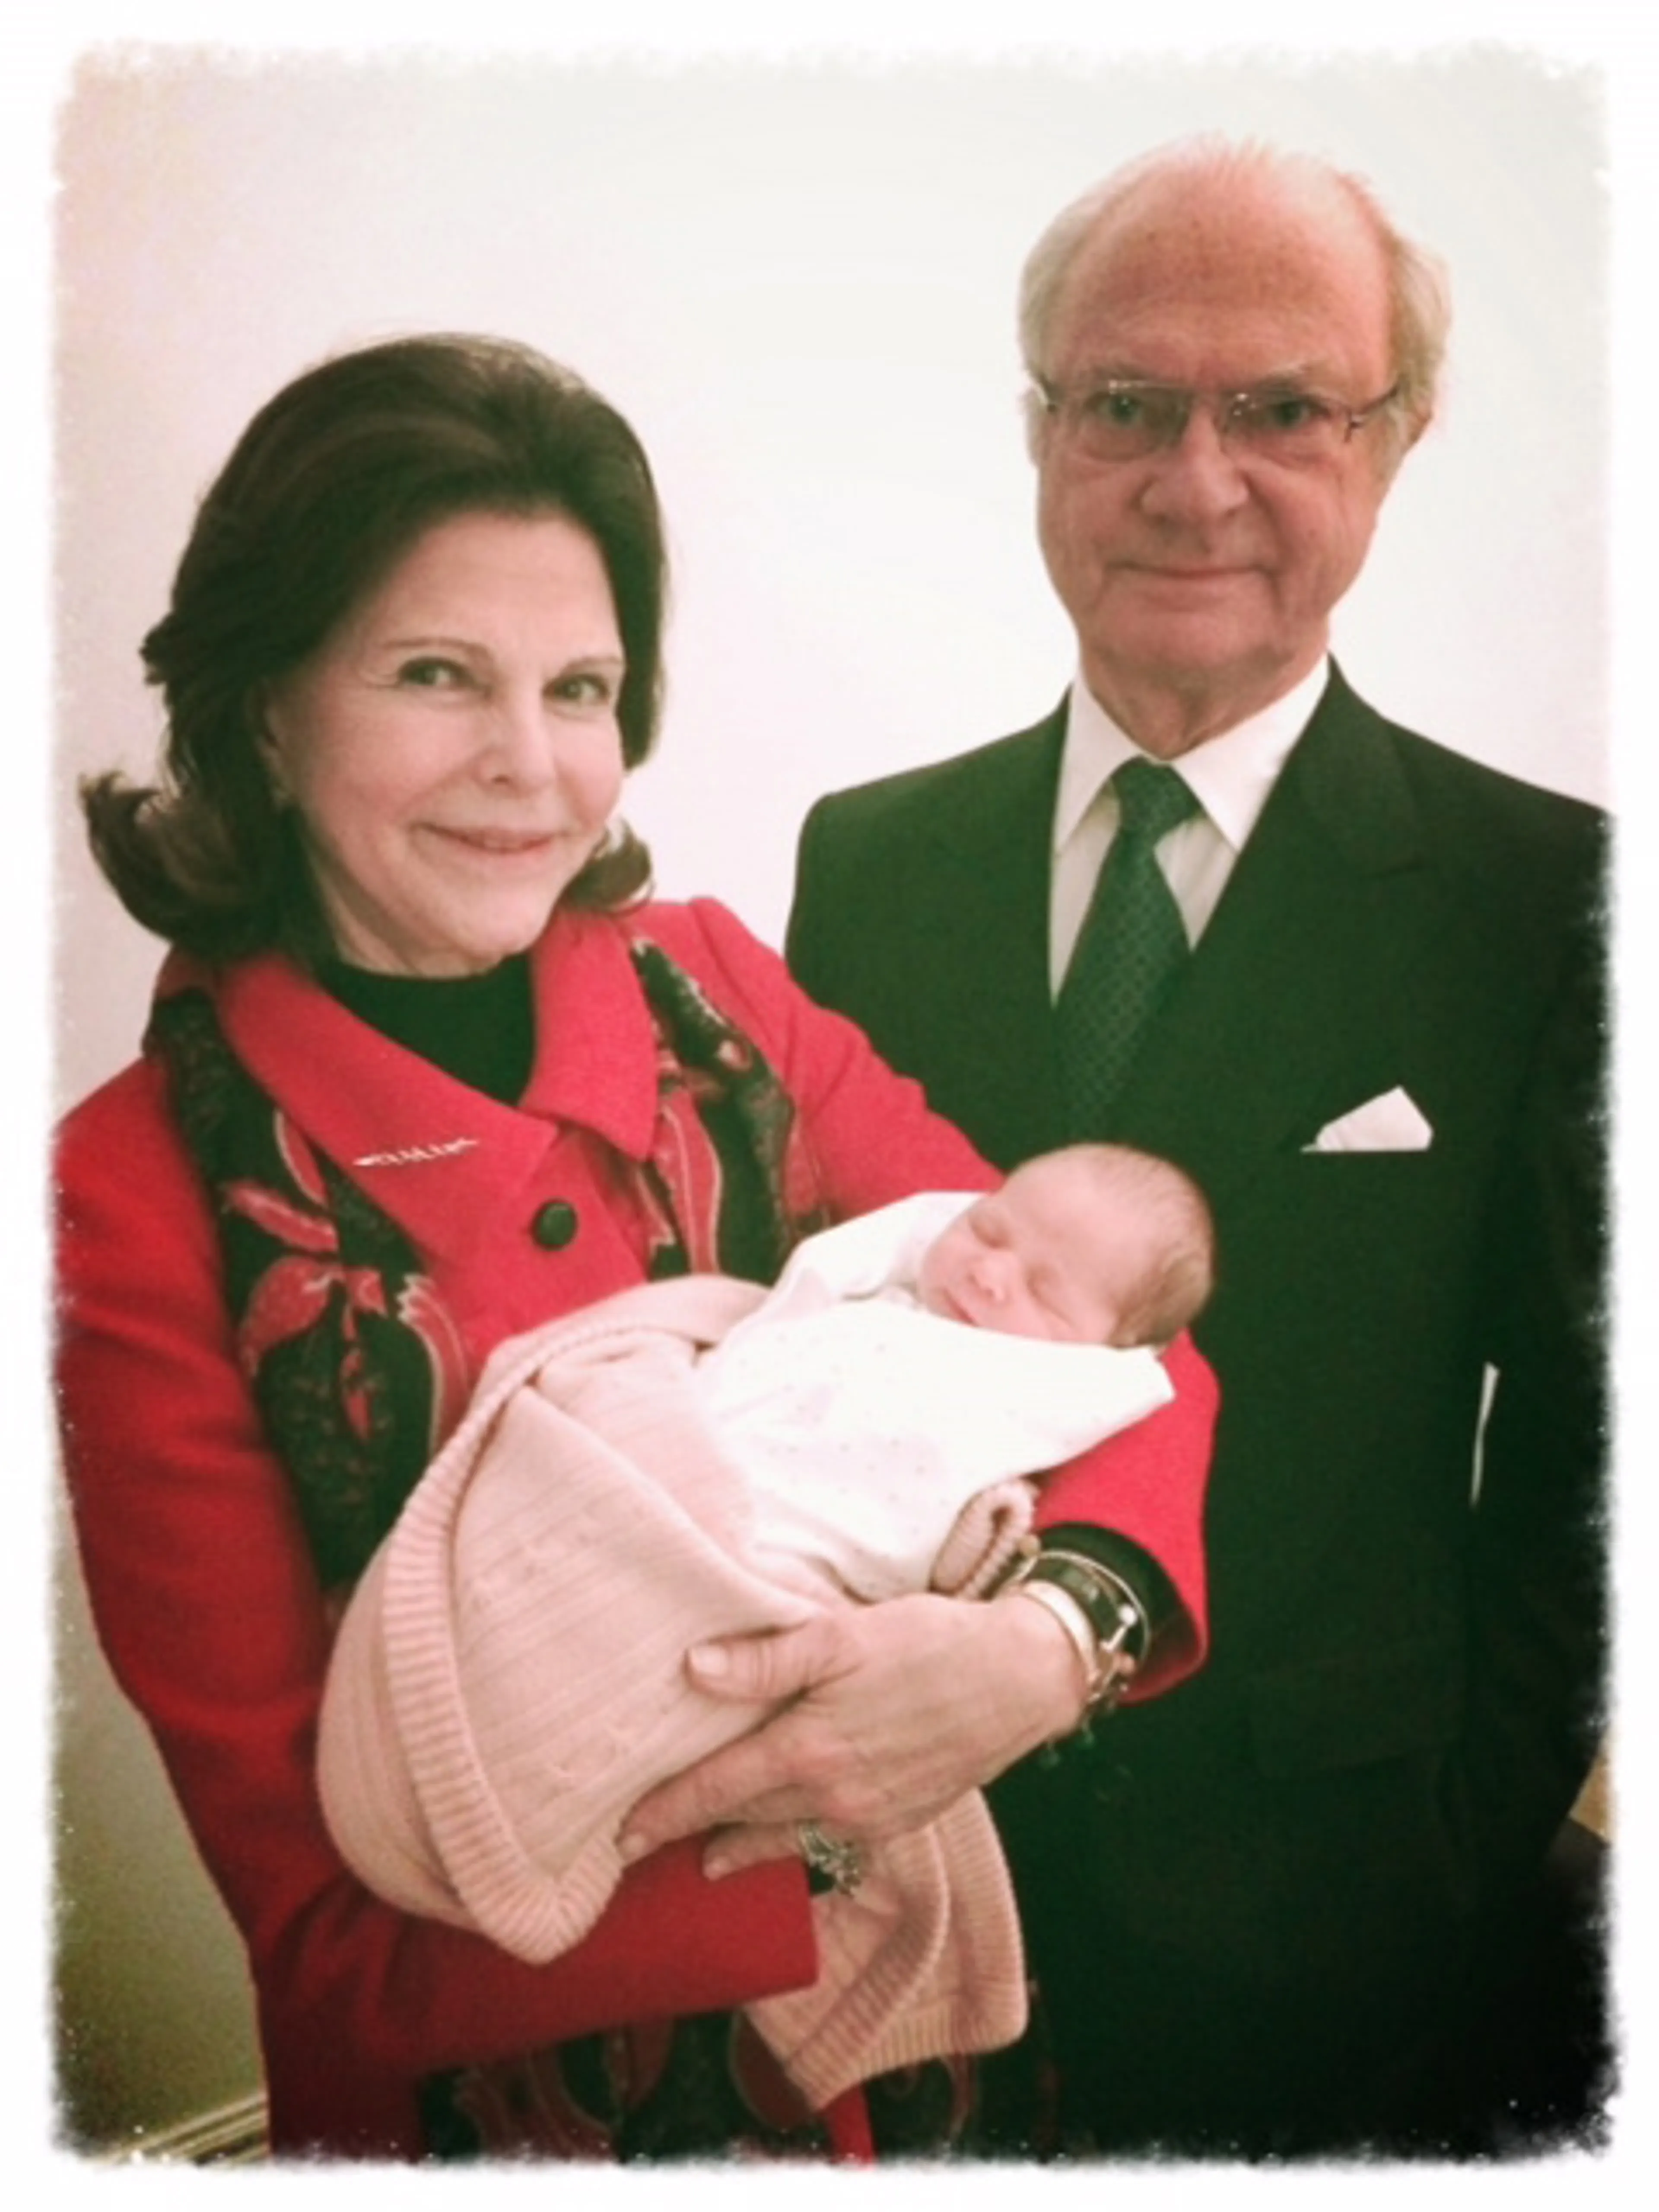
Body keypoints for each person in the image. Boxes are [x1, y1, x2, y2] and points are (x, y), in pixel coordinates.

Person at [53, 333, 1218, 2163]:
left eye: (582, 687)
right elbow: (328, 1930)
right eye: (437, 673)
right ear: (265, 709)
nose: (531, 766)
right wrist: (826, 1809)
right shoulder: (131, 1195)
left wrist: (1048, 1650)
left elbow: (1110, 1339)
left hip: (907, 2086)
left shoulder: (715, 988)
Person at [627, 137, 1611, 2155]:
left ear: (1398, 437)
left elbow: (1596, 1441)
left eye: (1284, 409)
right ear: (1039, 429)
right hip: (897, 1883)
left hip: (1334, 1911)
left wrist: (1465, 1834)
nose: (1195, 479)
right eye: (1128, 404)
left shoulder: (1545, 900)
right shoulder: (870, 857)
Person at [314, 1143, 1214, 2115]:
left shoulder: (1039, 1379)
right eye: (987, 1229)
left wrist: (1058, 1632)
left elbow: (1171, 1383)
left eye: (1043, 1292)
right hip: (461, 1996)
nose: (992, 1271)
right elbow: (324, 1946)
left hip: (764, 1633)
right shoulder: (902, 1286)